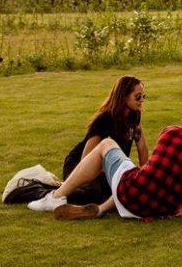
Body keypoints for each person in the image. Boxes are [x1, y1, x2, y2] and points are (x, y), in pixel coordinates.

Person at [29, 103, 182, 221]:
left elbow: (157, 167)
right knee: (138, 181)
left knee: (107, 144)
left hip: (133, 192)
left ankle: (55, 197)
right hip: (161, 209)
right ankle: (101, 209)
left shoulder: (170, 131)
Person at [61, 75, 150, 206]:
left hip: (107, 169)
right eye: (138, 96)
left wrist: (145, 178)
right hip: (80, 166)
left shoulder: (134, 115)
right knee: (95, 196)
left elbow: (142, 147)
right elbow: (86, 158)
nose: (142, 100)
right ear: (124, 96)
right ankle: (56, 191)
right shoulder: (105, 120)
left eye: (143, 96)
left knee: (123, 192)